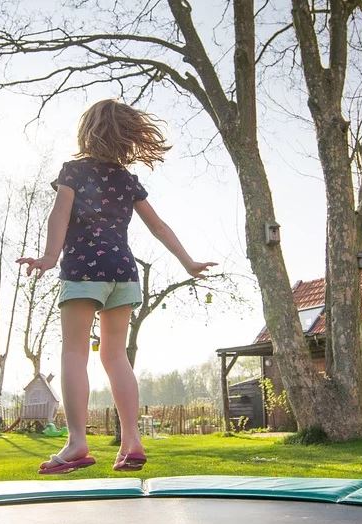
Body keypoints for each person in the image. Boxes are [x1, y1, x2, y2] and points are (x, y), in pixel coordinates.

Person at [17, 99, 215, 474]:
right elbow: (159, 226)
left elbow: (58, 214)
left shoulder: (73, 172)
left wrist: (48, 258)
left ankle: (77, 442)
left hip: (84, 271)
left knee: (74, 353)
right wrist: (187, 262)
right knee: (115, 356)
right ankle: (132, 441)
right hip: (123, 272)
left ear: (88, 131)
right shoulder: (127, 180)